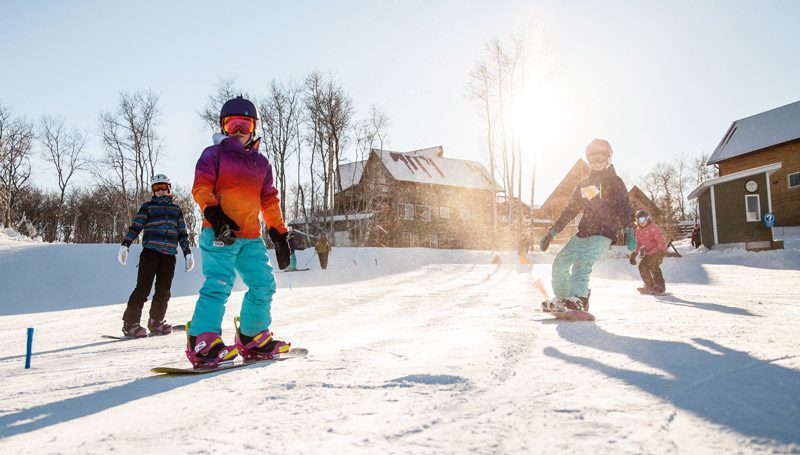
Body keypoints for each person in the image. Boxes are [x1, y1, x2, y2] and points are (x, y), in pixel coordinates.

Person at [186, 95, 292, 369]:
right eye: (233, 125)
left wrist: (279, 233)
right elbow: (201, 187)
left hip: (250, 237)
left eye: (244, 126)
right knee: (219, 284)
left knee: (264, 284)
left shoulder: (262, 164)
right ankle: (202, 340)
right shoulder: (214, 155)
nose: (239, 133)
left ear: (254, 128)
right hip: (220, 232)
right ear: (223, 127)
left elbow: (269, 200)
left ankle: (252, 336)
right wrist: (213, 212)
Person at [539, 139, 635, 312]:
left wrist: (629, 229)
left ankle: (579, 299)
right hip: (583, 233)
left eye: (601, 158)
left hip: (604, 233)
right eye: (593, 159)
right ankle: (563, 298)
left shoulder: (615, 182)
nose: (597, 163)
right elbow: (569, 211)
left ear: (609, 158)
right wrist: (552, 232)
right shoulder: (584, 185)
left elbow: (624, 206)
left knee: (582, 263)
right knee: (560, 262)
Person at [117, 174, 194, 337]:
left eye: (162, 187)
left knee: (164, 290)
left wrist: (187, 253)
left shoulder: (176, 210)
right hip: (150, 253)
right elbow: (136, 227)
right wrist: (125, 245)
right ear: (152, 190)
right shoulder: (148, 207)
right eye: (156, 188)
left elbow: (182, 233)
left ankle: (156, 321)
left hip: (169, 256)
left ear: (168, 188)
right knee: (143, 288)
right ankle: (130, 324)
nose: (159, 191)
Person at [630, 210, 668, 295]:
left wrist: (661, 251)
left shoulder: (652, 228)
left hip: (657, 251)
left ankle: (659, 286)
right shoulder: (638, 230)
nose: (642, 222)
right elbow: (638, 243)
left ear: (647, 219)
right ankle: (649, 285)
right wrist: (634, 254)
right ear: (637, 221)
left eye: (644, 219)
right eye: (639, 220)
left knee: (653, 265)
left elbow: (660, 239)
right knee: (642, 266)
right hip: (648, 252)